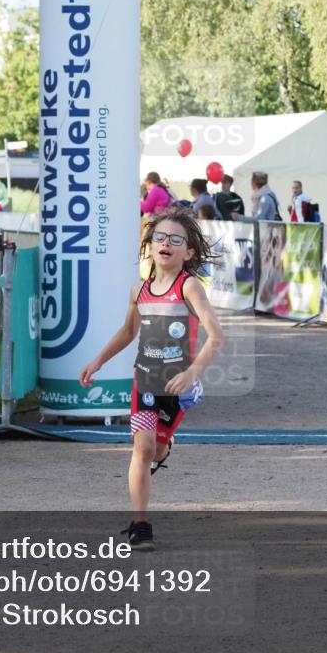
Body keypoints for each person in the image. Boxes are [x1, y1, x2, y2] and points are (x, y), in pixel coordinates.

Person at [79, 207, 224, 550]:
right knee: (142, 448)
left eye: (176, 240)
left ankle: (166, 448)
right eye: (160, 237)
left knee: (157, 449)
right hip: (144, 382)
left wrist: (192, 372)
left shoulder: (189, 288)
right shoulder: (138, 291)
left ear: (188, 252)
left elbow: (217, 337)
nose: (166, 244)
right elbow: (128, 331)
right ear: (149, 244)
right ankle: (140, 525)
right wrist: (98, 360)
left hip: (176, 387)